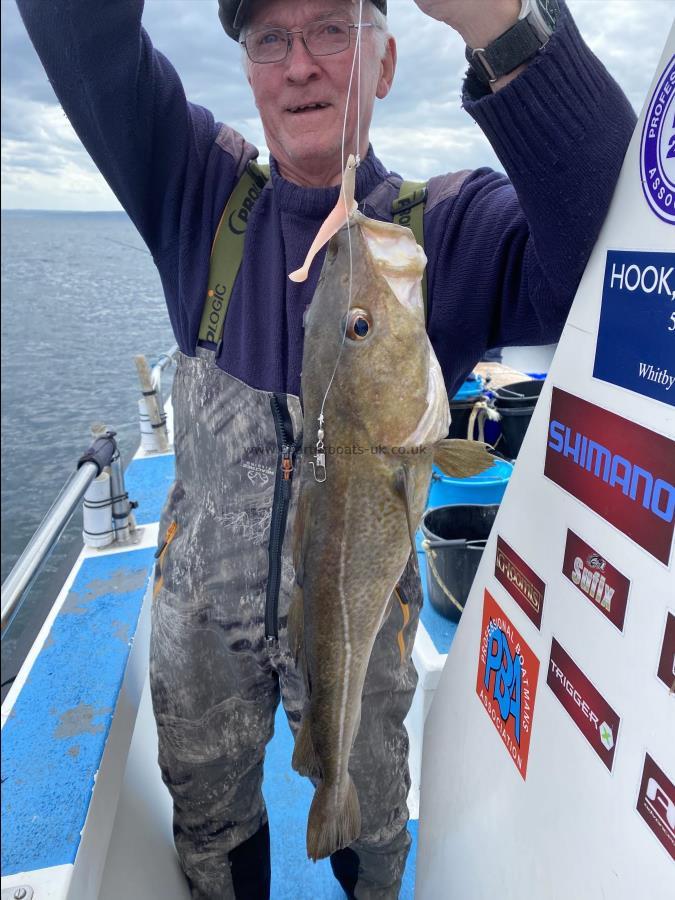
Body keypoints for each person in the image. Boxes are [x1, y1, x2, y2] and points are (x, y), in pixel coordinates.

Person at [16, 0, 636, 897]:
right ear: (248, 70)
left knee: (371, 815)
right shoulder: (192, 190)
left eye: (331, 28)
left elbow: (610, 250)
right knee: (212, 817)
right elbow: (81, 32)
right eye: (269, 37)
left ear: (385, 66)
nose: (299, 63)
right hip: (202, 629)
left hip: (362, 613)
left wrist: (503, 22)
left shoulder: (443, 234)